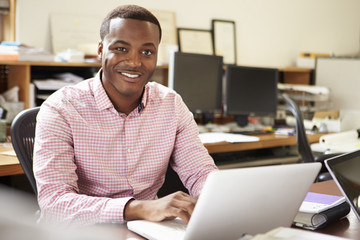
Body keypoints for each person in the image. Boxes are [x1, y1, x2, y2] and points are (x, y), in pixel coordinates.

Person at [33, 4, 218, 226]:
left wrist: (214, 199)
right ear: (101, 50)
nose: (134, 62)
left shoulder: (171, 104)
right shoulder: (60, 108)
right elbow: (55, 204)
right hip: (81, 230)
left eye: (146, 52)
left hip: (147, 228)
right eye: (121, 49)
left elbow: (200, 172)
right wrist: (139, 208)